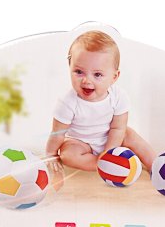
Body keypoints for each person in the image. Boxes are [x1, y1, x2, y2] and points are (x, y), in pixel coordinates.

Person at [46, 31, 156, 178]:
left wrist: (109, 152)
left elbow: (117, 128)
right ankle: (103, 165)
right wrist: (51, 154)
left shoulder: (118, 97)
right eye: (79, 72)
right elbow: (58, 133)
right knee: (67, 155)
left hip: (111, 136)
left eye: (97, 74)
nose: (86, 80)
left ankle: (155, 165)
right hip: (80, 142)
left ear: (114, 77)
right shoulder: (67, 102)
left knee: (129, 134)